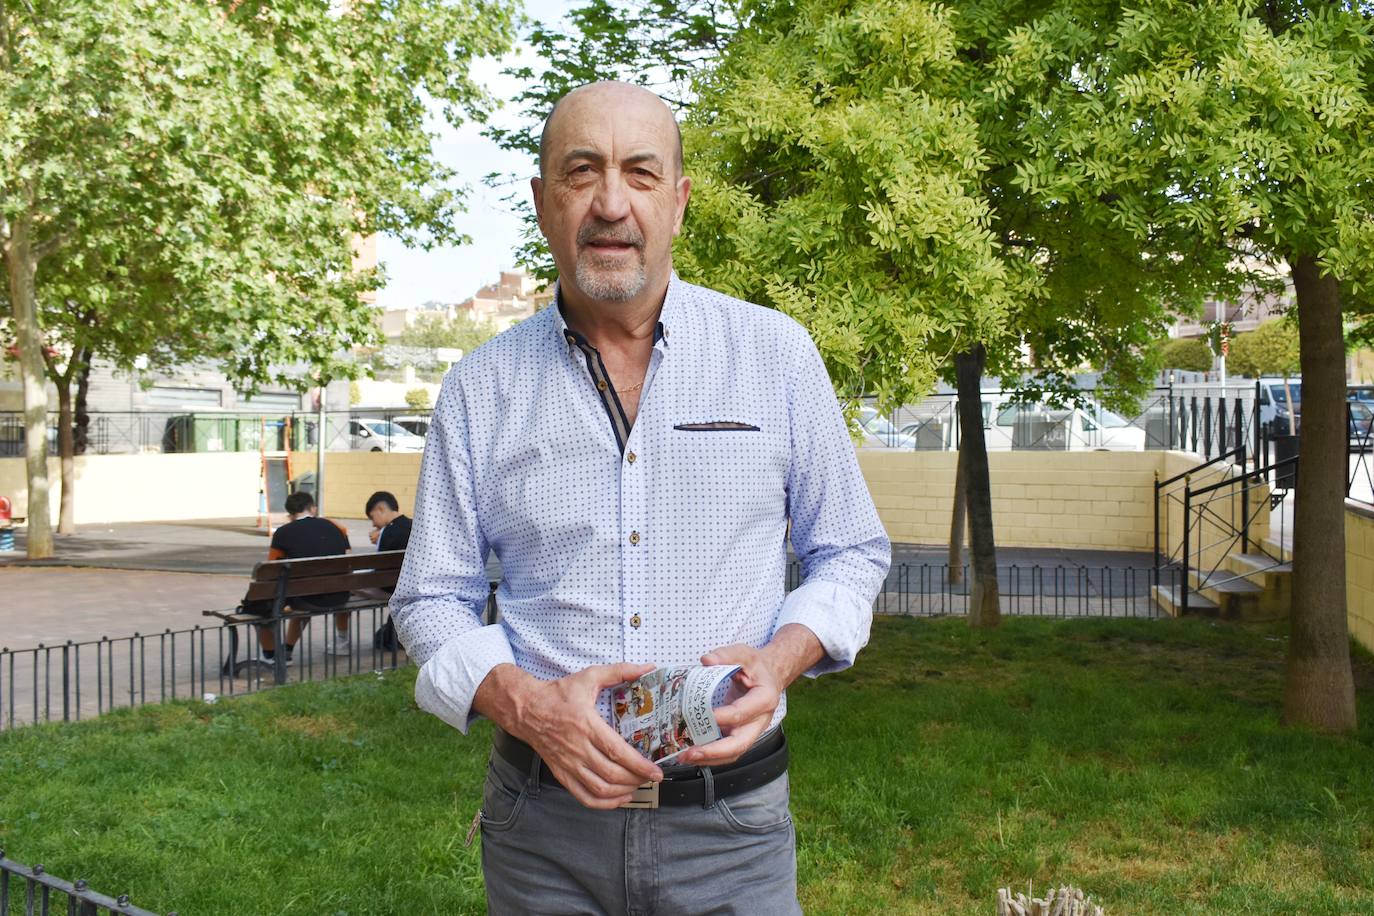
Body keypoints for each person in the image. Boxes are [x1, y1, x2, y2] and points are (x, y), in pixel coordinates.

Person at [391, 80, 889, 915]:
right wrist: (526, 705)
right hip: (543, 830)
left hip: (732, 828)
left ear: (680, 201)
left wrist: (783, 657)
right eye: (582, 172)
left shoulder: (776, 358)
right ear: (545, 203)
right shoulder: (480, 389)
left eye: (641, 174)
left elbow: (851, 549)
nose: (611, 203)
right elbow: (431, 598)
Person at [251, 490, 353, 660]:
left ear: (290, 513)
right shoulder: (337, 527)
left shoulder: (283, 533)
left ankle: (270, 656)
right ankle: (289, 649)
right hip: (339, 595)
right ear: (312, 508)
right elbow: (349, 561)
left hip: (305, 598)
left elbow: (271, 571)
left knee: (256, 603)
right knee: (309, 589)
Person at [363, 490, 411, 651]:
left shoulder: (387, 532)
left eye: (372, 517)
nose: (373, 523)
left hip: (391, 587)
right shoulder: (414, 525)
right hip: (412, 585)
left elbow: (379, 571)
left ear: (381, 509)